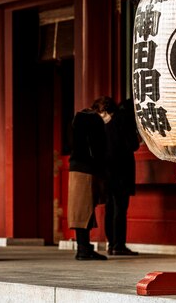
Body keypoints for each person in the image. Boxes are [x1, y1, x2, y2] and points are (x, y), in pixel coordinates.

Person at [68, 96, 114, 260]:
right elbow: (98, 147)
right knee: (84, 209)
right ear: (104, 111)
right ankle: (83, 249)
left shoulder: (78, 119)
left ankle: (84, 246)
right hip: (87, 168)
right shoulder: (94, 121)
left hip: (75, 167)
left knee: (79, 209)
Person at [104, 98, 140, 256]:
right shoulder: (126, 121)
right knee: (120, 208)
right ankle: (119, 245)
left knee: (110, 208)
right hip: (122, 170)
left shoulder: (108, 123)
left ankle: (111, 243)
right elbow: (133, 144)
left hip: (108, 170)